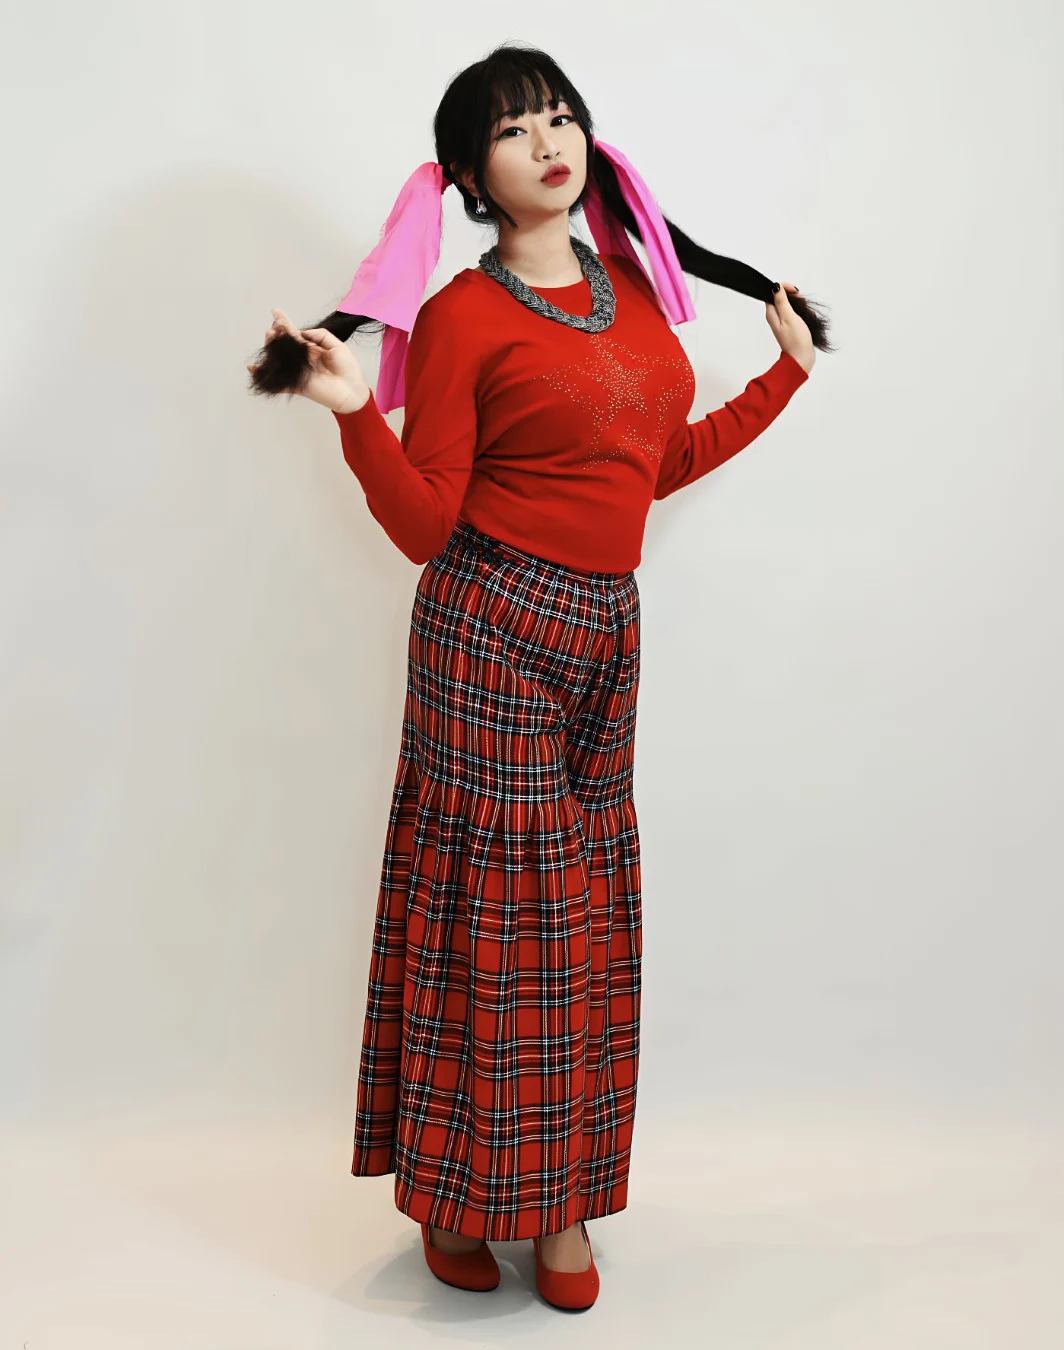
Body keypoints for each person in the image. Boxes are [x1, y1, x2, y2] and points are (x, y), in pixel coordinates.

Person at [247, 41, 829, 1312]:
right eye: (514, 129)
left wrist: (783, 373)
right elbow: (424, 524)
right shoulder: (462, 314)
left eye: (560, 115)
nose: (549, 141)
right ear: (470, 175)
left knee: (587, 921)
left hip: (607, 630)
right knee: (511, 926)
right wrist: (355, 412)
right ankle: (491, 1205)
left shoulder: (631, 289)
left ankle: (545, 1193)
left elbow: (651, 470)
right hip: (491, 626)